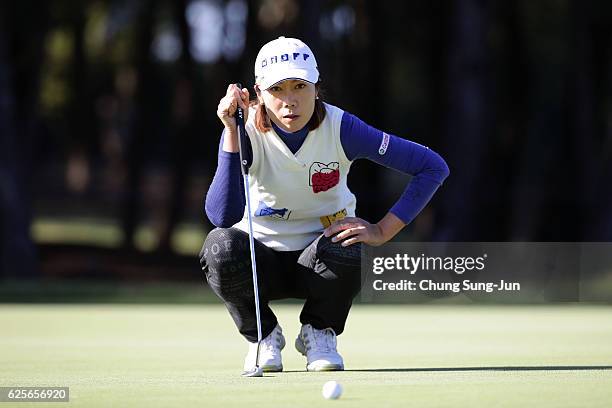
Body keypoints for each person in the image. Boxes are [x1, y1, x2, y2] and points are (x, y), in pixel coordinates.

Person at [200, 37, 449, 372]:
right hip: (261, 265)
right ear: (259, 94)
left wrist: (381, 230)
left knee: (349, 244)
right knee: (220, 246)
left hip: (323, 261)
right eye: (277, 90)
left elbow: (432, 166)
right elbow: (222, 215)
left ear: (317, 88)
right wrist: (231, 130)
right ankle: (263, 336)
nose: (290, 101)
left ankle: (319, 331)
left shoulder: (343, 128)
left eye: (299, 86)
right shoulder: (243, 128)